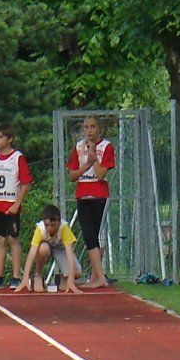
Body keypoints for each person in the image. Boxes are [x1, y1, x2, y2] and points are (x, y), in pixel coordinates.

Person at [0, 122, 32, 289]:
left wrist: (17, 203)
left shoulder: (17, 158)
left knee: (13, 239)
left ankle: (16, 276)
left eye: (1, 137)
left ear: (10, 139)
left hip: (10, 205)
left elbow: (25, 183)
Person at [67, 115, 114, 288]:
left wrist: (94, 157)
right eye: (86, 127)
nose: (89, 131)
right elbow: (72, 175)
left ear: (99, 129)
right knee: (88, 236)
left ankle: (98, 277)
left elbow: (101, 174)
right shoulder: (78, 147)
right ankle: (98, 277)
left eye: (93, 127)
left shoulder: (106, 146)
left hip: (99, 195)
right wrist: (86, 164)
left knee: (96, 236)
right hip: (82, 194)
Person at [14, 204, 82, 294]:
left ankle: (61, 278)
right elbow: (32, 253)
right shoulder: (40, 229)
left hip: (60, 249)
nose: (50, 228)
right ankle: (38, 276)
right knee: (43, 249)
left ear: (59, 222)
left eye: (53, 225)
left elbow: (70, 254)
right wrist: (25, 278)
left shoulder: (64, 228)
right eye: (47, 225)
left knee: (77, 273)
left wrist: (71, 281)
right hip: (45, 247)